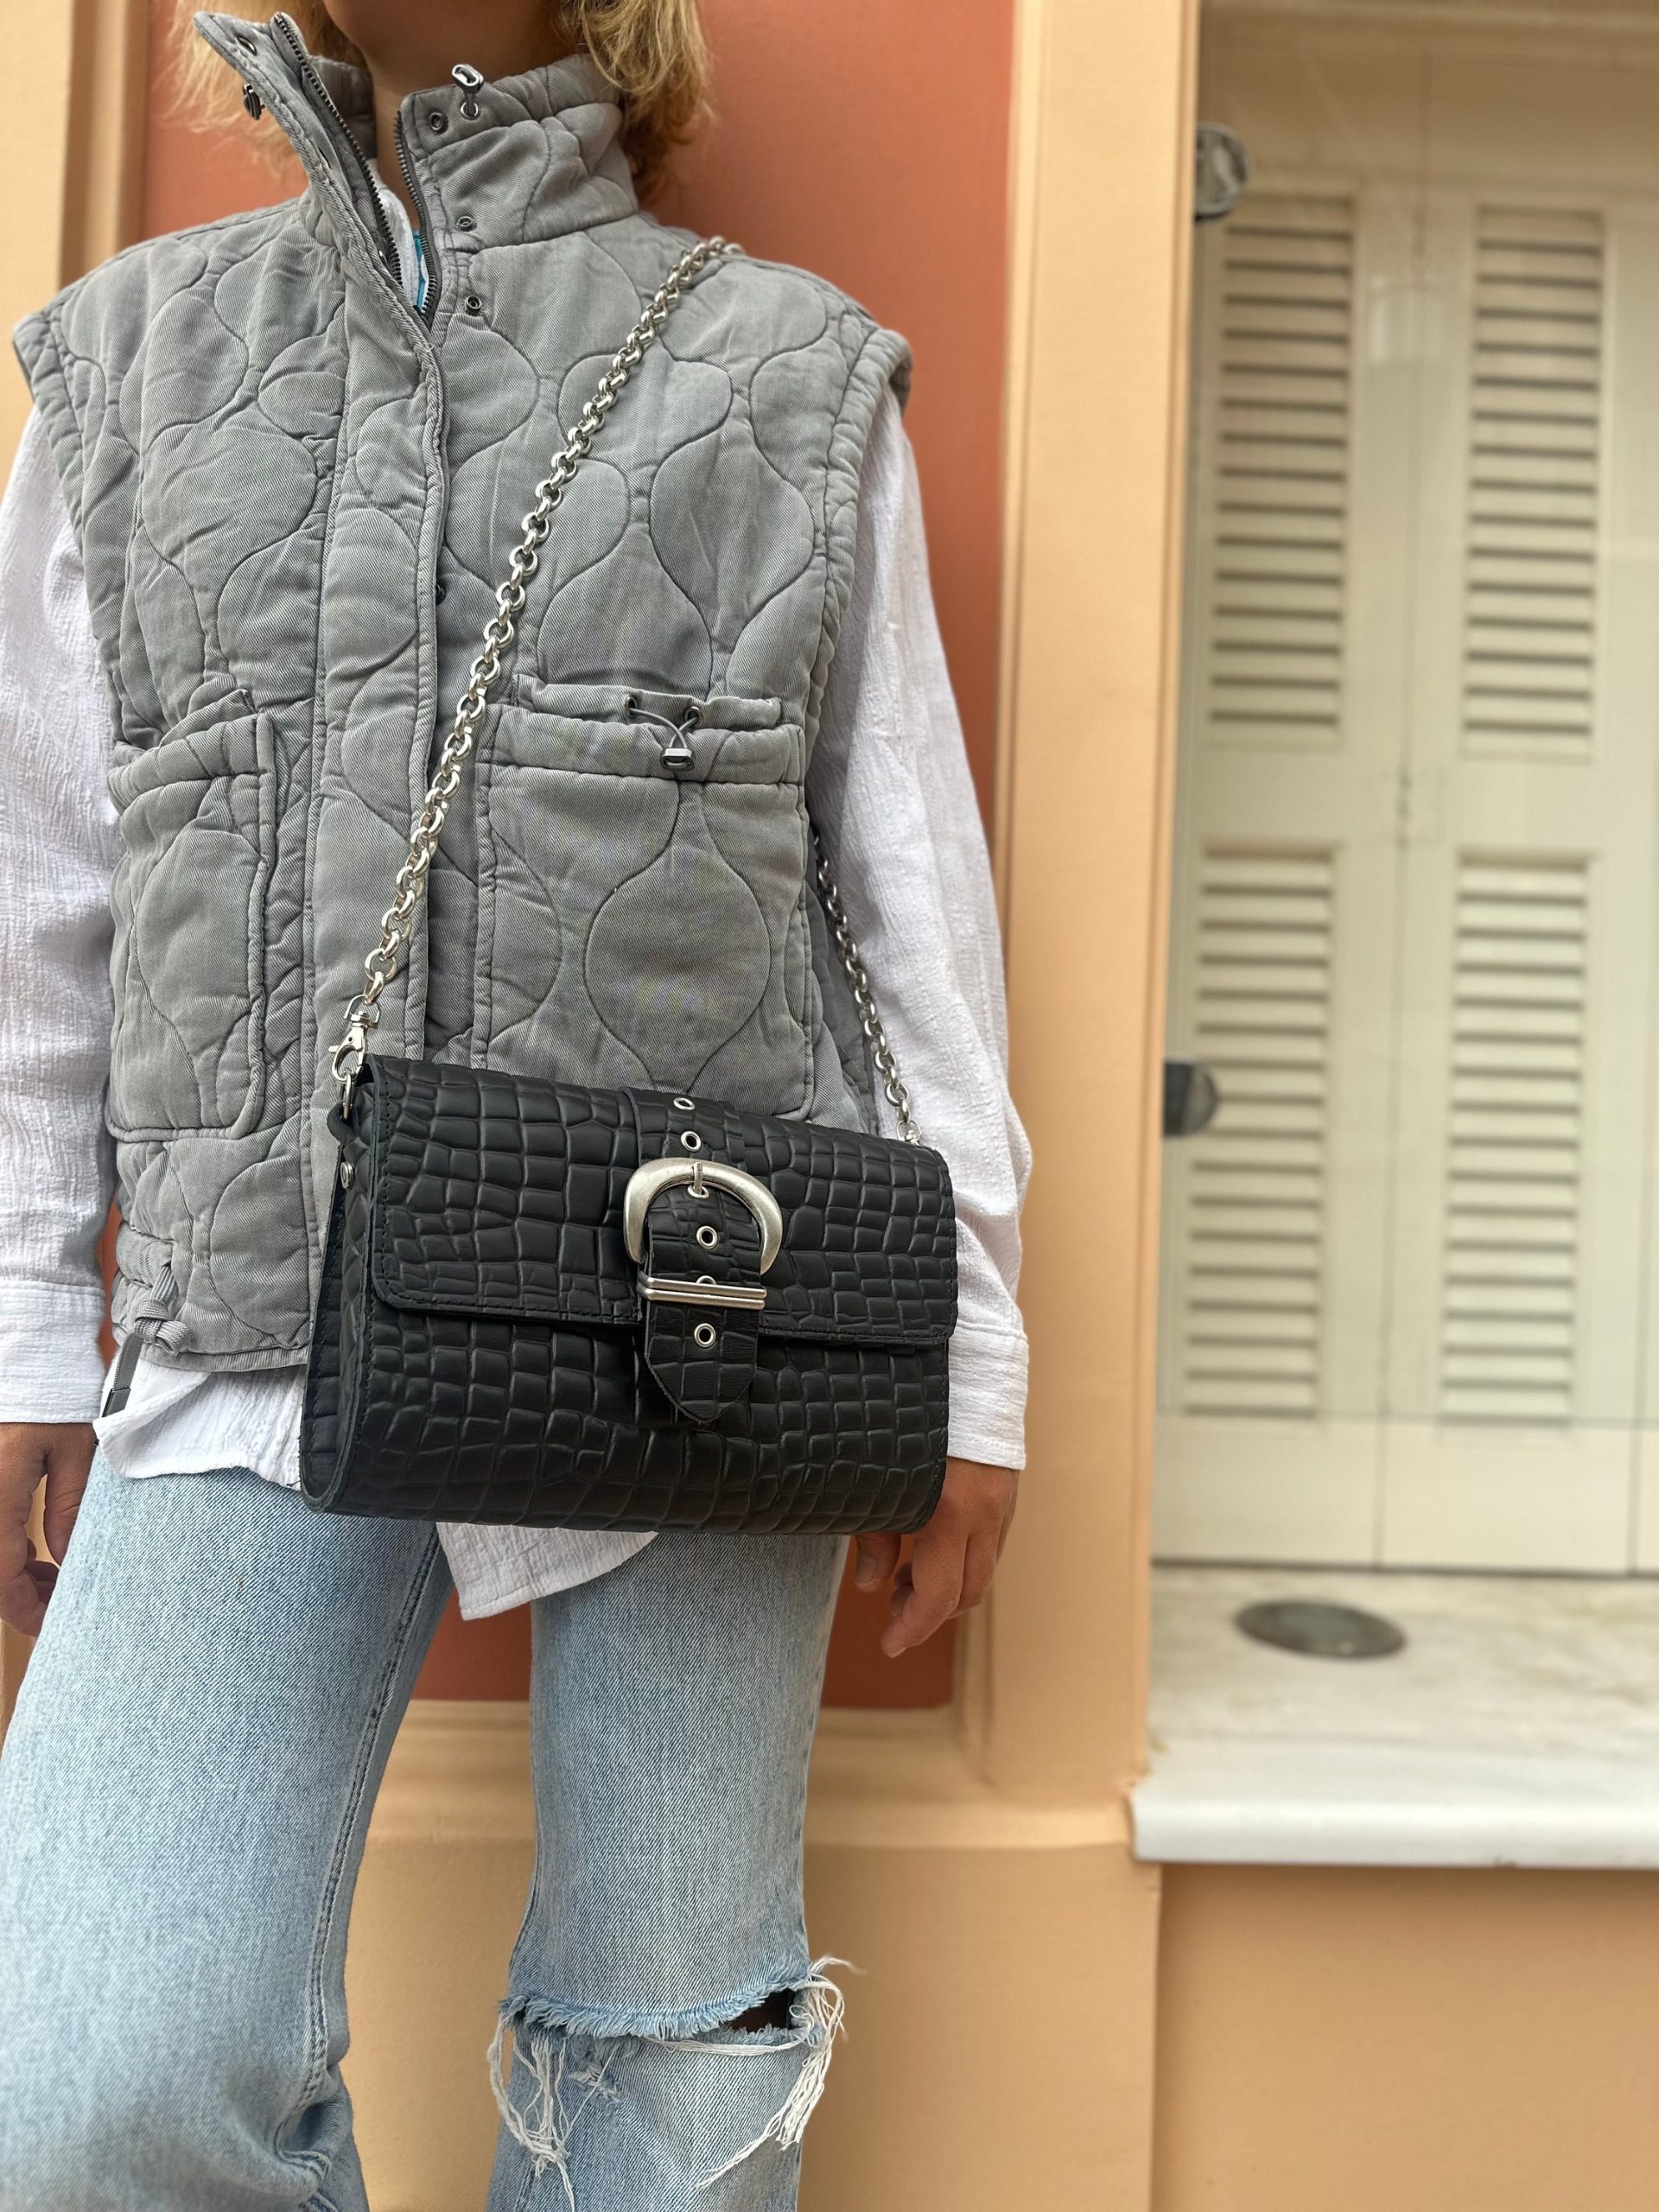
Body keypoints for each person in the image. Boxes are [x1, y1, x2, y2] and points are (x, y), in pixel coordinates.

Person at [0, 3, 1030, 2206]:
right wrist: (18, 1322)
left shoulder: (783, 370)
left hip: (708, 1312)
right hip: (252, 1296)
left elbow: (908, 904)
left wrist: (978, 1350)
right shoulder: (133, 365)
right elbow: (43, 896)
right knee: (90, 2067)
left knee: (667, 2079)